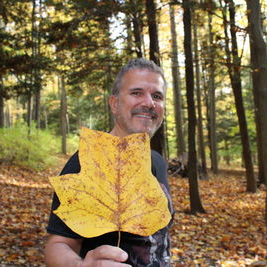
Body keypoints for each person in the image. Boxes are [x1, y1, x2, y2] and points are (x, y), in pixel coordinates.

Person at [44, 58, 174, 267]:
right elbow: (57, 245)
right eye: (136, 93)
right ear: (114, 104)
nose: (149, 103)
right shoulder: (87, 161)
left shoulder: (156, 161)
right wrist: (81, 266)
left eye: (157, 96)